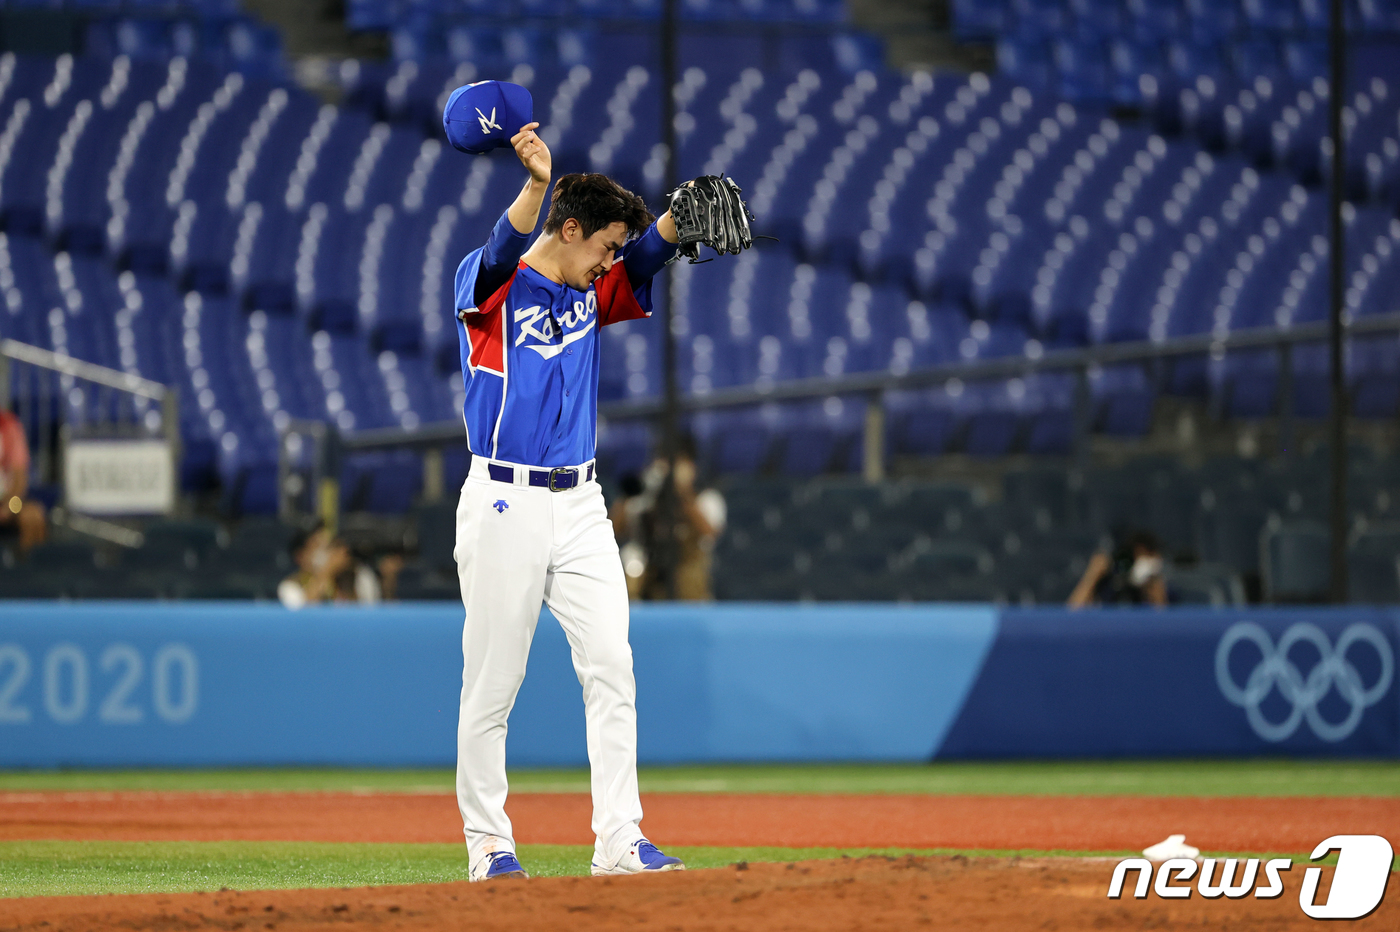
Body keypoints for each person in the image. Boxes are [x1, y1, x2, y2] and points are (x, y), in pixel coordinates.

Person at [448, 119, 693, 881]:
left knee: (612, 666)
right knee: (494, 682)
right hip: (502, 500)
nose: (610, 262)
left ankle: (619, 841)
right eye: (603, 246)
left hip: (581, 503)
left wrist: (673, 223)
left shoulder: (592, 290)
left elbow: (646, 254)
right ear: (568, 227)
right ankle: (488, 844)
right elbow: (498, 251)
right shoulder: (489, 286)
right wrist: (531, 184)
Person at [278, 523, 384, 608]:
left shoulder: (359, 577)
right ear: (300, 556)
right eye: (318, 546)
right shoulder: (290, 586)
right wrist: (327, 571)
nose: (327, 553)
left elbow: (368, 616)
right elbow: (301, 617)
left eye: (329, 546)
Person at [1067, 529, 1167, 608]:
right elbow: (1071, 616)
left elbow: (1164, 623)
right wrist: (1092, 575)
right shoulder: (1107, 586)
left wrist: (1153, 587)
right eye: (1135, 556)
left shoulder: (1165, 591)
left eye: (1146, 557)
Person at [0, 408, 46, 555]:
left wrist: (8, 508)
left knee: (33, 514)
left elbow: (19, 480)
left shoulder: (9, 424)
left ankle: (26, 568)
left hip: (6, 503)